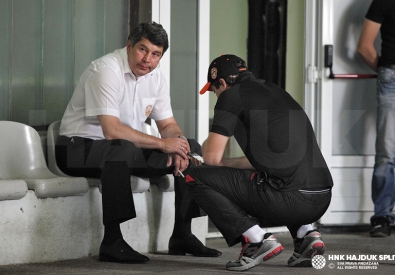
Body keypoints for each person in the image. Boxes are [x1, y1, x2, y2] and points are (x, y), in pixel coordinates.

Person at [55, 22, 221, 263]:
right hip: (76, 148)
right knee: (120, 150)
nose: (148, 60)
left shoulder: (156, 79)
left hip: (122, 149)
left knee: (191, 150)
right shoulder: (105, 70)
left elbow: (168, 126)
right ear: (129, 46)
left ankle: (182, 235)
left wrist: (178, 143)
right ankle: (112, 241)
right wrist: (164, 145)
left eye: (156, 54)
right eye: (143, 50)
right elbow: (112, 131)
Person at [184, 54, 333, 271]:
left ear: (222, 83)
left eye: (214, 91)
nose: (215, 96)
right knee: (281, 176)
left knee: (193, 175)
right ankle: (306, 235)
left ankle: (256, 240)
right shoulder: (277, 91)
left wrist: (212, 136)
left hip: (288, 200)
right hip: (321, 198)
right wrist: (228, 164)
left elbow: (210, 157)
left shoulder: (231, 96)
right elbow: (269, 161)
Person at [357, 0, 395, 238]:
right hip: (391, 78)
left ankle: (382, 217)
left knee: (386, 152)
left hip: (390, 76)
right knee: (387, 153)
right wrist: (385, 72)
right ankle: (382, 216)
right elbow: (364, 47)